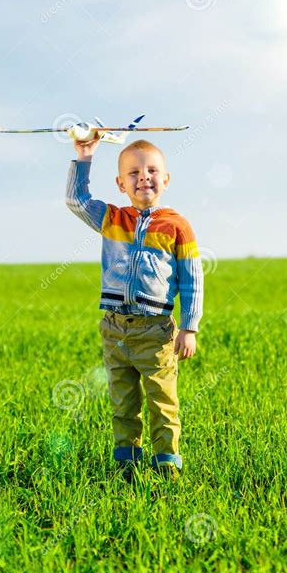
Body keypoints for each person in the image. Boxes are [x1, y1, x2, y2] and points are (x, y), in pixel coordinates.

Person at [66, 133, 203, 482]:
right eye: (134, 172)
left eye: (153, 170)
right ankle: (126, 462)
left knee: (162, 400)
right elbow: (76, 199)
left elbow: (192, 280)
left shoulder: (177, 226)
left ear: (166, 179)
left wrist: (189, 327)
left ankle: (166, 463)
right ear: (121, 183)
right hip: (114, 328)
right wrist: (84, 156)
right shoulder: (113, 219)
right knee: (123, 400)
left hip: (155, 331)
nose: (144, 176)